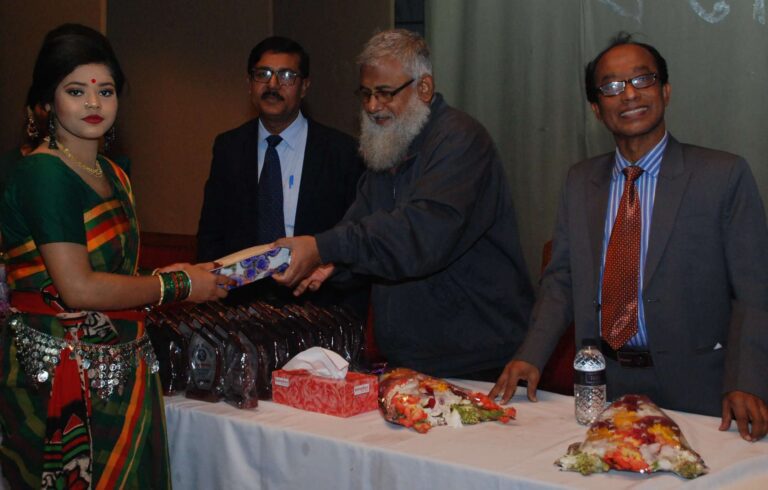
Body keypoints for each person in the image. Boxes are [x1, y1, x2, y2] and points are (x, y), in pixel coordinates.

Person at [490, 32, 768, 442]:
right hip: (604, 384)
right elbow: (562, 280)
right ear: (596, 108)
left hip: (700, 389)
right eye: (612, 86)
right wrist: (530, 354)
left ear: (666, 91)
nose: (630, 94)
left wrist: (747, 380)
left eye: (643, 79)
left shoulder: (722, 176)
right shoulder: (580, 181)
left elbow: (754, 289)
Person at [0, 24, 229, 489]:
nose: (93, 103)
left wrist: (164, 274)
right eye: (75, 91)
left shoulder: (113, 173)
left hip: (123, 368)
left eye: (105, 91)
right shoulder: (43, 173)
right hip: (60, 375)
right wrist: (179, 285)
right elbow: (78, 287)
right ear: (48, 100)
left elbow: (111, 272)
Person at [274, 29, 534, 380]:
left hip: (478, 361)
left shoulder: (461, 139)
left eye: (384, 93)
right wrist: (333, 264)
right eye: (366, 94)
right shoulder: (389, 145)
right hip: (410, 358)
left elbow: (421, 235)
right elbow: (359, 227)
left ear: (424, 88)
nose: (372, 106)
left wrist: (324, 247)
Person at [197, 36, 366, 312]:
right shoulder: (229, 147)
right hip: (241, 310)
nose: (273, 85)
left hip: (318, 308)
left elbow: (356, 237)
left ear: (305, 86)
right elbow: (211, 234)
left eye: (287, 76)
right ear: (249, 84)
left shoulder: (342, 152)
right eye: (263, 74)